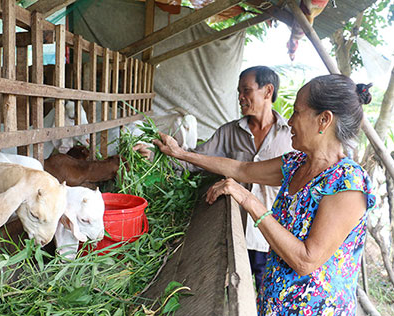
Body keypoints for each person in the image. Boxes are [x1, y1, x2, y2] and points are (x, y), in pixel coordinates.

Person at [153, 74, 376, 315]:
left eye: (297, 112)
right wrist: (182, 154)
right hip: (274, 303)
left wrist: (248, 200)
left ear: (324, 120)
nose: (289, 122)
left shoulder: (348, 183)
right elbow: (242, 169)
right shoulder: (296, 164)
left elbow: (306, 260)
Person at [135, 65, 293, 291]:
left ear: (268, 91)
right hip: (234, 229)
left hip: (273, 234)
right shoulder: (229, 132)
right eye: (239, 91)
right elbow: (196, 160)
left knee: (270, 293)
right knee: (233, 292)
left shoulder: (290, 137)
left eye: (246, 90)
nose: (240, 97)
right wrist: (155, 155)